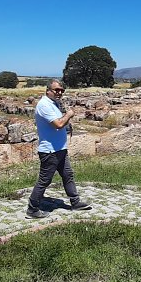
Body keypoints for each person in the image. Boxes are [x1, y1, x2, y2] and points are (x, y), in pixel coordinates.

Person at [26, 79, 91, 218]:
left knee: (68, 175)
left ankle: (75, 202)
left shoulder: (53, 104)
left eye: (62, 90)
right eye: (56, 90)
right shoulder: (44, 105)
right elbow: (58, 124)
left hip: (60, 148)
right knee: (44, 180)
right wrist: (69, 114)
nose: (59, 92)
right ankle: (32, 209)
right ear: (48, 90)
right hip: (50, 151)